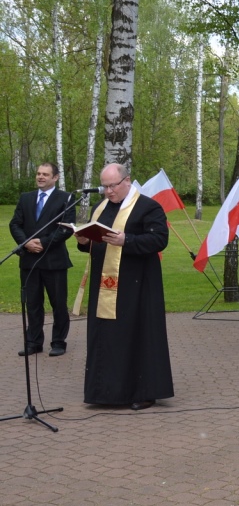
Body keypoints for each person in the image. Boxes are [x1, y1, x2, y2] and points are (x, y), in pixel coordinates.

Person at [75, 163, 172, 410]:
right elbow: (96, 241)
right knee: (105, 335)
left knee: (136, 335)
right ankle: (104, 391)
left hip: (137, 285)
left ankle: (143, 391)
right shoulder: (100, 208)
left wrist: (126, 240)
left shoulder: (148, 207)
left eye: (113, 186)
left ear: (127, 181)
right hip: (104, 285)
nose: (108, 191)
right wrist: (84, 240)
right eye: (105, 187)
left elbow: (159, 239)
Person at [9, 162, 74, 357]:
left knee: (58, 304)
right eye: (38, 173)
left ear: (55, 177)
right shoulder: (26, 198)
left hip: (54, 261)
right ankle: (34, 342)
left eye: (45, 174)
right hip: (29, 261)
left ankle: (58, 342)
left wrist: (43, 243)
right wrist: (26, 242)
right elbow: (15, 224)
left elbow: (67, 228)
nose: (40, 177)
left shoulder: (66, 198)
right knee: (33, 304)